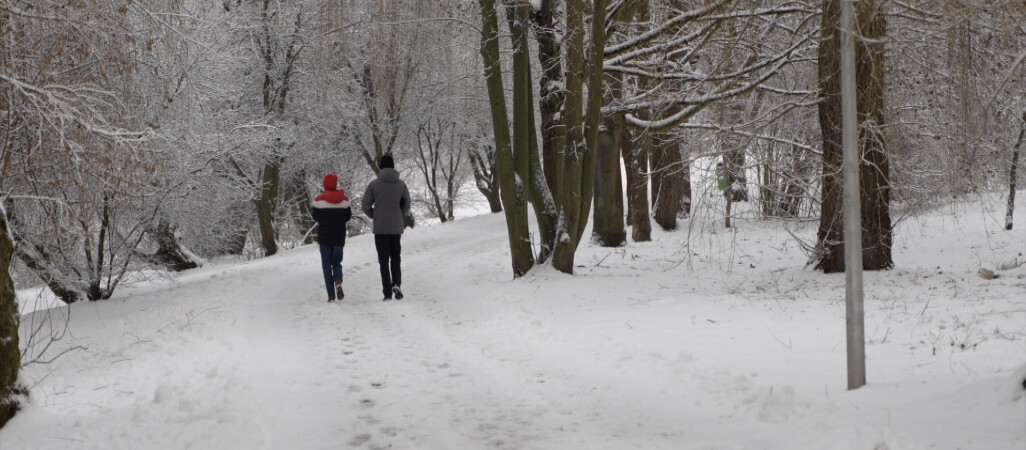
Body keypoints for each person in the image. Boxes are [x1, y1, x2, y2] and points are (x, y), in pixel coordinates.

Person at [361, 154, 411, 301]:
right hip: (396, 227)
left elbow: (365, 205)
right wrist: (399, 213)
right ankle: (396, 283)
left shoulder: (374, 185)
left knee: (383, 260)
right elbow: (407, 204)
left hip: (380, 228)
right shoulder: (401, 185)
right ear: (393, 166)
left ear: (381, 167)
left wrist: (373, 215)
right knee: (396, 257)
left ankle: (387, 292)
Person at [311, 174, 352, 302]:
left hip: (324, 238)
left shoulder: (318, 201)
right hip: (339, 237)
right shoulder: (345, 200)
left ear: (324, 184)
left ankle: (331, 296)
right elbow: (348, 217)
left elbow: (315, 217)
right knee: (337, 262)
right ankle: (338, 281)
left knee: (326, 266)